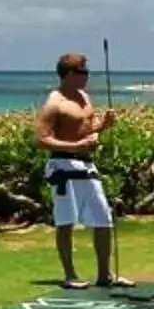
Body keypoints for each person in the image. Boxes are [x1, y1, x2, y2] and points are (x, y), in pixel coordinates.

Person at [36, 51, 123, 289]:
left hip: (86, 163)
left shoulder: (84, 96)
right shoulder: (55, 103)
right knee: (66, 221)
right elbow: (42, 139)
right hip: (62, 165)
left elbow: (82, 131)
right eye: (83, 72)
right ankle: (70, 275)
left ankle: (105, 274)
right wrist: (75, 145)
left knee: (103, 218)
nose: (87, 76)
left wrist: (102, 126)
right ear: (70, 74)